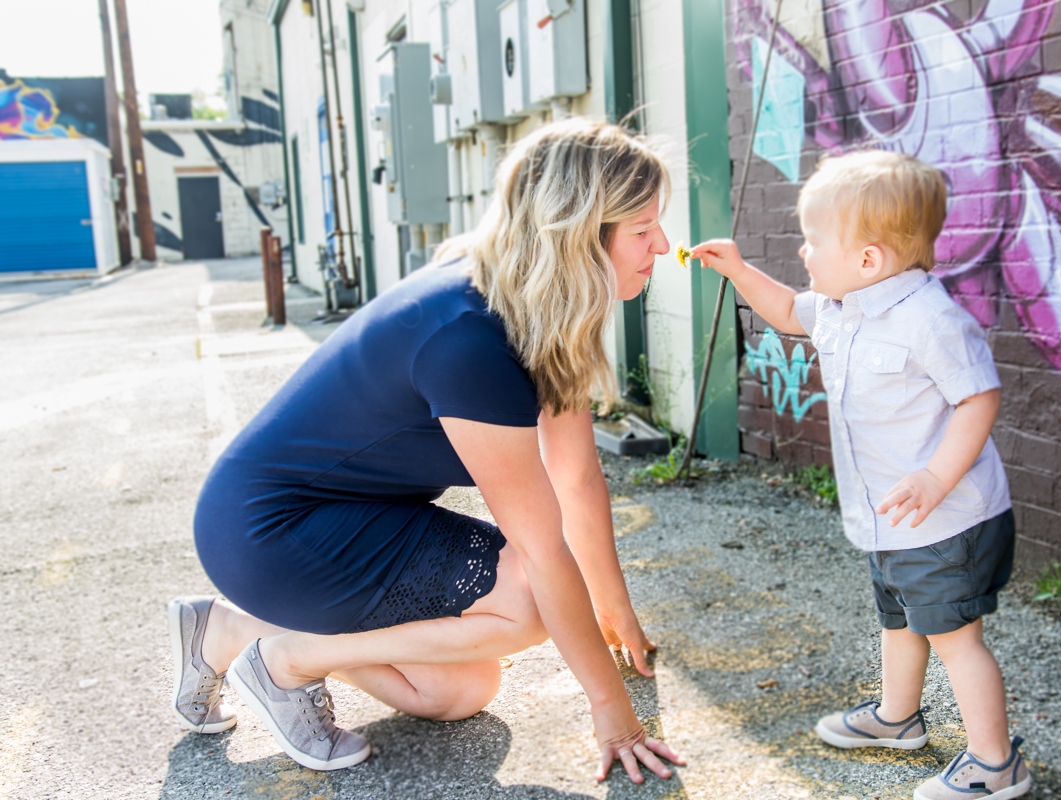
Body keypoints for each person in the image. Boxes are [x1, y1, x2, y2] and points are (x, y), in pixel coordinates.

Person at [169, 117, 686, 783]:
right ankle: (285, 663)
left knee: (460, 691)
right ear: (579, 234)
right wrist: (612, 709)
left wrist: (616, 610)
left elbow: (578, 479)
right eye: (644, 230)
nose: (664, 245)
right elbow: (541, 545)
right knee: (528, 599)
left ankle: (228, 633)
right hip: (272, 533)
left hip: (352, 514)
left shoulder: (541, 303)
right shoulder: (470, 338)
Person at [688, 150, 1031, 800]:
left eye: (814, 240)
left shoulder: (931, 319)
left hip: (945, 517)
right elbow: (790, 311)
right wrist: (738, 271)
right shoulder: (843, 307)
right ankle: (898, 719)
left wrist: (935, 476)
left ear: (868, 258)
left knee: (957, 640)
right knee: (899, 620)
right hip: (890, 517)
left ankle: (995, 762)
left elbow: (978, 398)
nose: (805, 251)